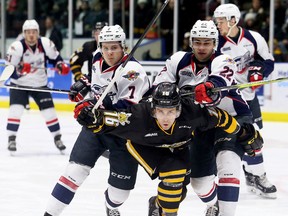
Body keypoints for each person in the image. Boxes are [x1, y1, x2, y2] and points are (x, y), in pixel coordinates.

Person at [74, 82, 263, 216]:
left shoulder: (193, 113)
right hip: (145, 147)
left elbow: (221, 118)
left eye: (171, 111)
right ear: (153, 109)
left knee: (178, 191)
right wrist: (89, 116)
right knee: (174, 174)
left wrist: (244, 132)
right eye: (161, 112)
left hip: (177, 146)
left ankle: (157, 204)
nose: (165, 118)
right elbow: (105, 120)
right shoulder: (139, 117)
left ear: (179, 109)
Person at [44, 24, 150, 216]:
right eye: (106, 47)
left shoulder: (133, 70)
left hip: (123, 134)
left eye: (114, 47)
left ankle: (111, 206)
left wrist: (95, 106)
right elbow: (94, 80)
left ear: (123, 47)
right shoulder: (96, 57)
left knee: (120, 194)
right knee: (73, 173)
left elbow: (128, 107)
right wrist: (82, 86)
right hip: (95, 128)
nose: (109, 52)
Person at [151, 20, 254, 216]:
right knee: (199, 183)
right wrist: (170, 91)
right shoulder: (178, 60)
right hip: (200, 124)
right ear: (191, 42)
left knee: (228, 161)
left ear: (214, 43)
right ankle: (214, 204)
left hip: (232, 118)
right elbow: (160, 86)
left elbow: (219, 82)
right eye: (197, 42)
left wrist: (209, 90)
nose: (201, 47)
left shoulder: (224, 60)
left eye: (206, 43)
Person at [214, 3, 277, 199]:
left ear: (233, 20)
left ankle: (256, 175)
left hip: (247, 98)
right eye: (217, 21)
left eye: (221, 21)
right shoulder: (215, 41)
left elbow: (268, 61)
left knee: (252, 139)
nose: (218, 25)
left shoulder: (254, 38)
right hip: (223, 100)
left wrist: (258, 72)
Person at [5, 19, 70, 153]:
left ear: (38, 33)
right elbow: (9, 71)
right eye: (28, 32)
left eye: (34, 32)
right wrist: (20, 71)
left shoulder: (46, 43)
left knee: (49, 112)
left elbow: (55, 59)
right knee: (15, 110)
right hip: (20, 85)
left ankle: (57, 138)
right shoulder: (16, 47)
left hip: (40, 84)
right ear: (24, 33)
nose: (31, 35)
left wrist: (59, 66)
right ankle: (11, 139)